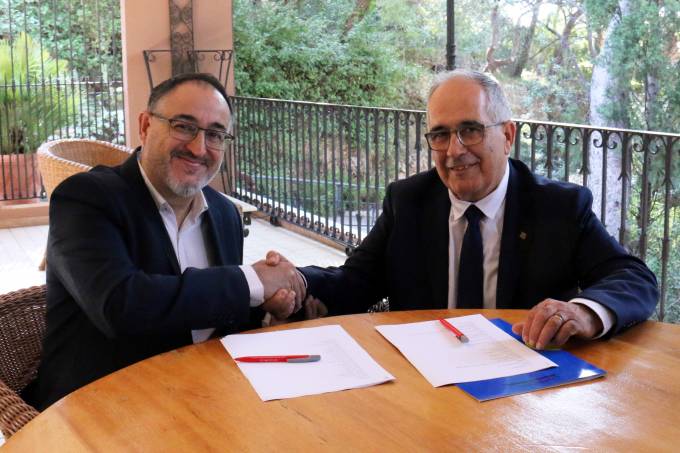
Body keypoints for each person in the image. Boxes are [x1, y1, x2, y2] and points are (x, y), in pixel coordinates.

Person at [295, 69, 658, 349]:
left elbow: (633, 277)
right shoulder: (408, 201)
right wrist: (295, 283)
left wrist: (584, 312)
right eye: (440, 135)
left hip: (524, 390)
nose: (454, 150)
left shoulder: (558, 207)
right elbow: (356, 281)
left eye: (471, 130)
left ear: (508, 136)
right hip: (425, 387)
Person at [23, 73, 304, 410]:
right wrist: (252, 281)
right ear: (145, 126)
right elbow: (121, 306)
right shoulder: (87, 198)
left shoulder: (224, 214)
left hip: (198, 394)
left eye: (215, 134)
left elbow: (218, 309)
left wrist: (269, 306)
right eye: (183, 126)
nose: (199, 148)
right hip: (97, 406)